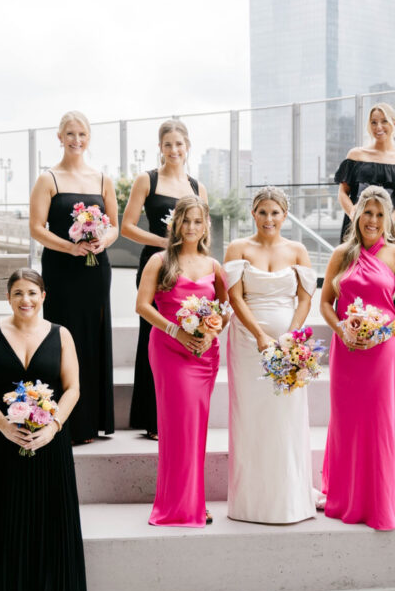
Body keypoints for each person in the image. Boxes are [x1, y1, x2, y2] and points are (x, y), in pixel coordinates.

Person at [0, 268, 88, 591]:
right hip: (5, 442)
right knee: (8, 520)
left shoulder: (61, 334)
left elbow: (73, 389)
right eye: (18, 293)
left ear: (44, 296)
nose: (26, 300)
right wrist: (4, 425)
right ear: (8, 297)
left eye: (32, 293)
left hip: (51, 443)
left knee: (51, 520)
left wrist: (53, 427)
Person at [319, 186, 395, 531]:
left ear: (387, 218)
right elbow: (325, 305)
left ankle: (379, 503)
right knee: (347, 424)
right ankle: (346, 499)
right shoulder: (341, 254)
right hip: (346, 351)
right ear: (357, 214)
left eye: (380, 214)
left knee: (378, 426)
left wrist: (383, 332)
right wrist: (343, 330)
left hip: (383, 352)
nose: (373, 220)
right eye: (368, 213)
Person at [224, 186, 317, 524]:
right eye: (262, 212)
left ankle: (291, 500)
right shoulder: (238, 248)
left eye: (275, 212)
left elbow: (305, 299)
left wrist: (291, 337)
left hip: (288, 344)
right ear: (253, 213)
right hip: (248, 345)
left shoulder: (298, 250)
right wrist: (261, 335)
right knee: (250, 417)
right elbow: (235, 299)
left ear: (285, 215)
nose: (268, 218)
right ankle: (251, 503)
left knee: (286, 418)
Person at [136, 196, 227, 527]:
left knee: (196, 428)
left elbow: (225, 309)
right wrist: (177, 331)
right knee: (177, 429)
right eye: (185, 221)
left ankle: (195, 500)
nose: (191, 227)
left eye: (197, 221)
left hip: (204, 355)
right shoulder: (160, 261)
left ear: (205, 226)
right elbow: (143, 306)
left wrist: (212, 331)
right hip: (169, 350)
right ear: (176, 223)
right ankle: (177, 504)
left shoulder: (214, 266)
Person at [29, 111, 118, 445]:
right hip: (62, 268)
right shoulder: (48, 179)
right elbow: (37, 228)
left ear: (89, 137)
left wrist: (102, 241)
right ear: (59, 136)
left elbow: (113, 226)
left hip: (96, 269)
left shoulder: (102, 179)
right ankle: (65, 421)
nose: (76, 140)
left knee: (93, 337)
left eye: (82, 134)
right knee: (63, 337)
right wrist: (70, 247)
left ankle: (92, 420)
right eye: (70, 133)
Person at [122, 119, 208, 440]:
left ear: (187, 148)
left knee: (184, 333)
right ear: (160, 147)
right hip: (156, 265)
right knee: (155, 333)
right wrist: (164, 242)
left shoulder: (198, 187)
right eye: (168, 144)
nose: (174, 150)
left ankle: (178, 410)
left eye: (179, 144)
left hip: (189, 269)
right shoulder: (147, 180)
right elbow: (127, 227)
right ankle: (151, 417)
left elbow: (203, 233)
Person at [334, 103, 395, 373]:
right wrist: (358, 217)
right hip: (355, 227)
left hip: (389, 228)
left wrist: (386, 222)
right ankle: (348, 336)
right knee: (349, 282)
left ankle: (392, 353)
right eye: (373, 122)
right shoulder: (356, 155)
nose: (379, 126)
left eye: (384, 121)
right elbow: (343, 193)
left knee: (390, 288)